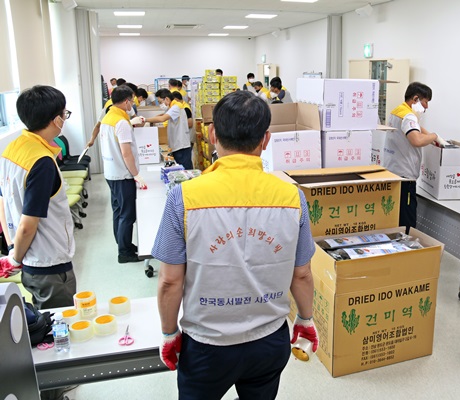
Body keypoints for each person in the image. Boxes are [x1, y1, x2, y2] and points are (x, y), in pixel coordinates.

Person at [153, 90, 318, 400]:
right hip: (269, 340)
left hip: (207, 345)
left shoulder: (183, 198)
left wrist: (169, 333)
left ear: (212, 134)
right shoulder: (292, 197)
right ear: (266, 139)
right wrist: (306, 320)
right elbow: (302, 274)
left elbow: (169, 281)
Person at [0, 85, 77, 309]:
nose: (65, 118)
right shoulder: (41, 161)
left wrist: (13, 249)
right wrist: (15, 258)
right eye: (64, 114)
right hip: (48, 261)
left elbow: (3, 201)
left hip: (28, 256)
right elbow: (28, 225)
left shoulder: (12, 149)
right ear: (56, 120)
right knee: (60, 320)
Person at [382, 82, 448, 232]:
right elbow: (416, 140)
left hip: (393, 171)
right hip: (405, 176)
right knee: (407, 218)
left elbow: (416, 128)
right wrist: (434, 136)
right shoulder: (408, 116)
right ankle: (406, 243)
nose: (427, 107)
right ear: (416, 99)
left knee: (394, 214)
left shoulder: (398, 111)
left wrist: (435, 138)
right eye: (425, 102)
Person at [98, 85, 147, 264]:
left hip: (111, 173)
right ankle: (124, 253)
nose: (132, 104)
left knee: (118, 211)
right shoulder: (121, 123)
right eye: (132, 100)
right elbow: (126, 153)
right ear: (126, 101)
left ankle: (122, 243)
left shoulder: (108, 118)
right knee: (127, 214)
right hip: (122, 174)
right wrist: (136, 174)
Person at [145, 90, 193, 169]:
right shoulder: (172, 107)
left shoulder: (176, 107)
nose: (160, 105)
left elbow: (162, 118)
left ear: (167, 99)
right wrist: (150, 120)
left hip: (181, 146)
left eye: (160, 102)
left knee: (185, 170)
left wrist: (145, 120)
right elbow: (162, 115)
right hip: (177, 145)